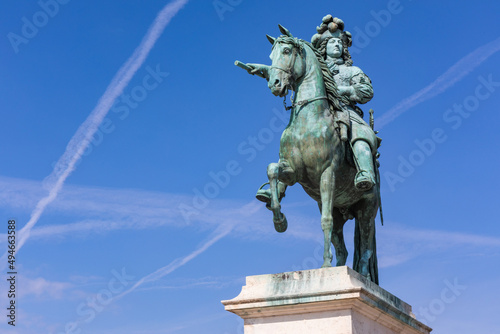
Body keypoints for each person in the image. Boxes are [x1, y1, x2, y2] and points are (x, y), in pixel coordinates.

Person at [312, 15, 378, 191]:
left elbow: (367, 91)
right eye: (332, 42)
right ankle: (280, 183)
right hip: (318, 113)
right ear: (324, 47)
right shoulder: (314, 71)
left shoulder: (352, 70)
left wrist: (345, 90)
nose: (336, 45)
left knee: (359, 134)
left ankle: (365, 171)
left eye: (339, 43)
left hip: (347, 111)